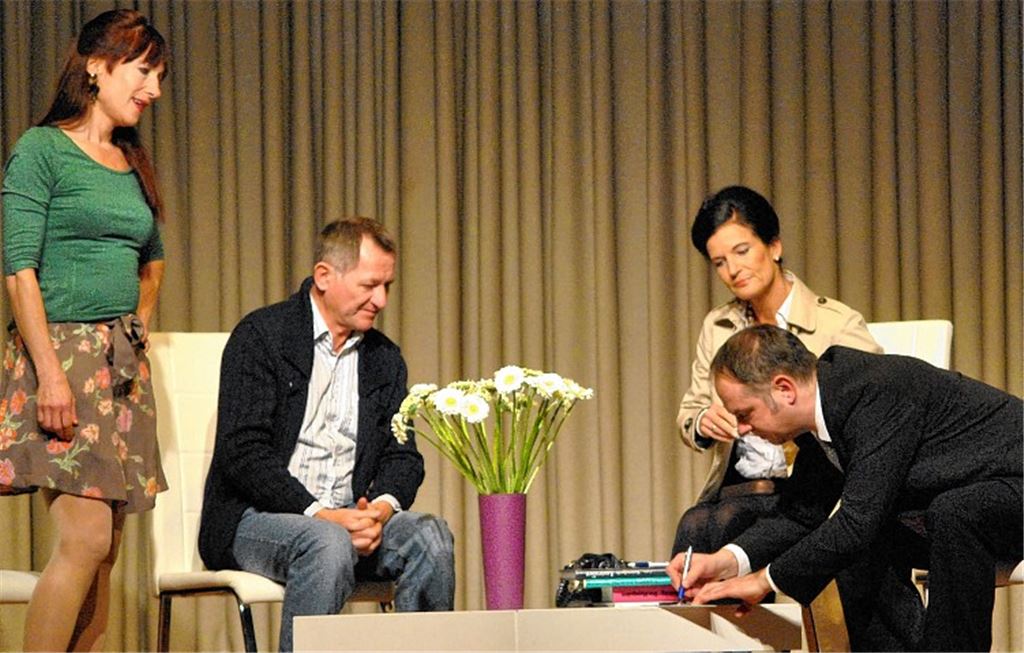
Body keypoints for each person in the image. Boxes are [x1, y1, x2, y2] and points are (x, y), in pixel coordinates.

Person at [669, 324, 1023, 652]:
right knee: (855, 542)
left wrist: (765, 581)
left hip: (1012, 486)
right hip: (974, 505)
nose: (741, 429)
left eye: (745, 414)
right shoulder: (823, 415)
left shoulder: (874, 391)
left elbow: (858, 520)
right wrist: (727, 561)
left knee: (950, 511)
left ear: (784, 389)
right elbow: (801, 516)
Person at [198, 217, 455, 653]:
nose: (382, 300)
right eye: (370, 285)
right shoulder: (262, 337)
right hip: (254, 520)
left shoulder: (384, 359)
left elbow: (404, 456)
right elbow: (242, 452)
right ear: (324, 277)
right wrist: (320, 513)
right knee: (328, 542)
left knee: (430, 537)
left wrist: (380, 511)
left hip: (346, 521)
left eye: (387, 286)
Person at [0, 9, 169, 652]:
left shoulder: (130, 162)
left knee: (106, 560)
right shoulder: (41, 149)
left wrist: (138, 327)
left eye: (158, 76)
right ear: (97, 67)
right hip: (61, 357)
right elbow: (20, 270)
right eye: (144, 71)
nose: (153, 89)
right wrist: (49, 372)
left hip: (119, 368)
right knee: (85, 539)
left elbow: (151, 257)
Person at [673, 185, 880, 557]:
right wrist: (704, 421)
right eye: (719, 262)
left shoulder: (835, 322)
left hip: (808, 488)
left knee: (727, 523)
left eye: (742, 251)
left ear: (774, 246)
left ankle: (748, 608)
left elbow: (870, 412)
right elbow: (689, 414)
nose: (733, 270)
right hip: (737, 486)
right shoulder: (718, 325)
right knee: (694, 524)